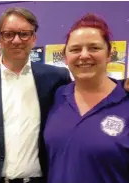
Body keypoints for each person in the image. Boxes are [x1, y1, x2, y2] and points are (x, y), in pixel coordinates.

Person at [0, 7, 71, 183]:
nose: (16, 40)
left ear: (34, 38)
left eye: (24, 34)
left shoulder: (56, 78)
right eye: (8, 34)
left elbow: (89, 87)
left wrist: (122, 85)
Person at [44, 13, 129, 183]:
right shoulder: (58, 96)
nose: (84, 55)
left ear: (109, 54)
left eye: (94, 48)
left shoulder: (125, 102)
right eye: (75, 49)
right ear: (66, 57)